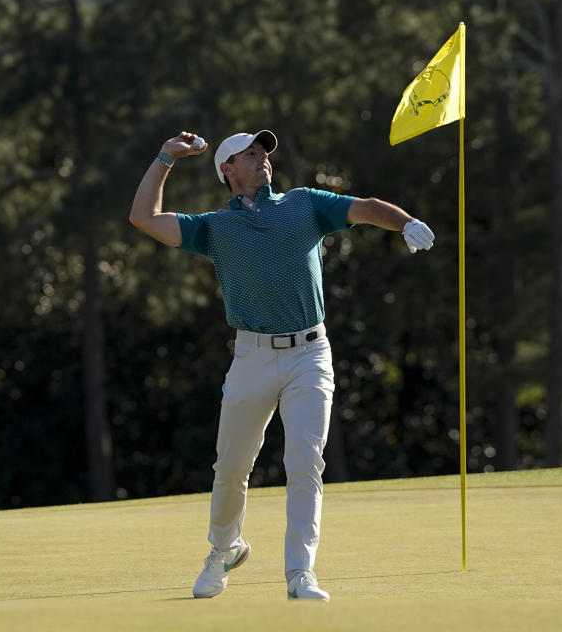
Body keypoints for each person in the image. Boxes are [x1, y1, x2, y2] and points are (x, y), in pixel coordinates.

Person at [129, 130, 435, 601]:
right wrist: (165, 156)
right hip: (251, 357)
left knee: (305, 463)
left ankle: (300, 575)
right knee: (231, 468)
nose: (263, 159)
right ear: (227, 170)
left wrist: (406, 222)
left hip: (311, 354)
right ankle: (224, 550)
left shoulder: (303, 203)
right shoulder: (213, 228)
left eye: (265, 152)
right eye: (250, 154)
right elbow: (143, 217)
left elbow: (366, 206)